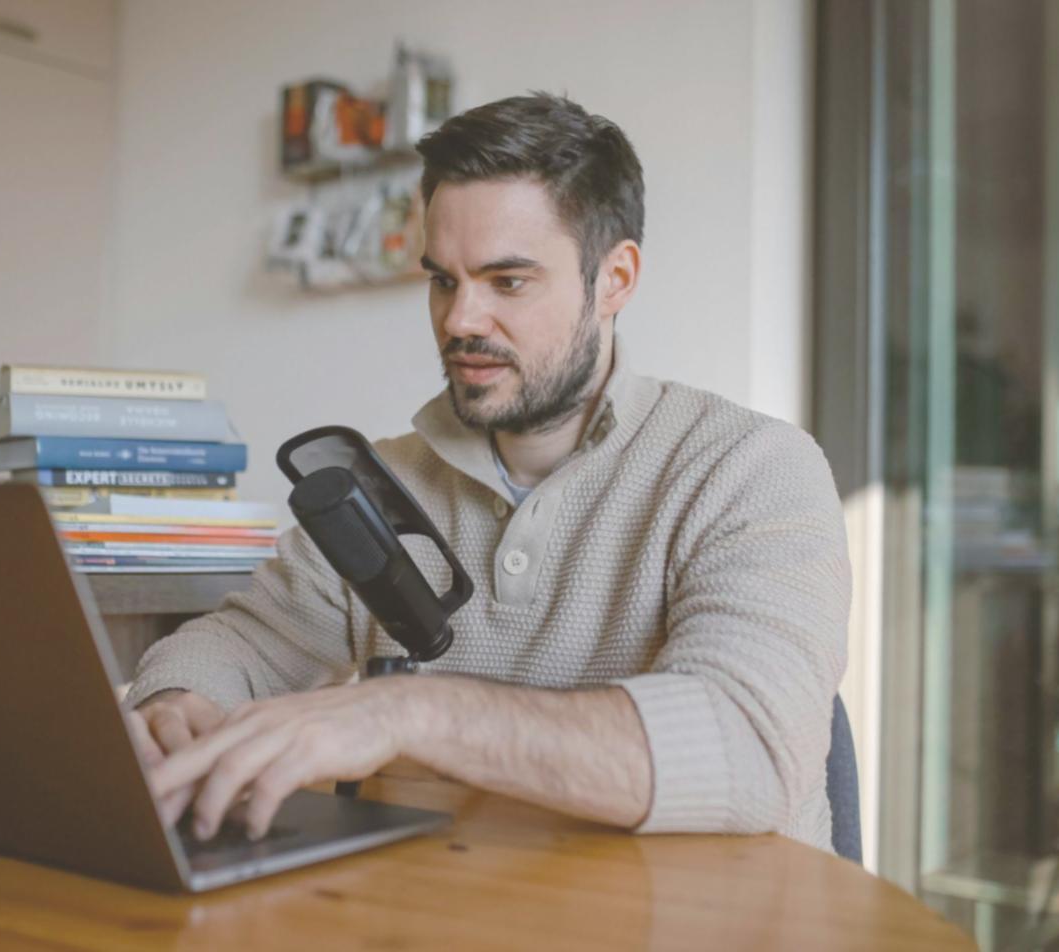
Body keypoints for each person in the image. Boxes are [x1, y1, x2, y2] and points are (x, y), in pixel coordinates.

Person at [125, 92, 850, 853]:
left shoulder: (752, 469)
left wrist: (407, 712)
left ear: (615, 278)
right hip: (451, 903)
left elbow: (747, 749)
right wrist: (178, 703)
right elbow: (238, 644)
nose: (460, 320)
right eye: (444, 280)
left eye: (507, 282)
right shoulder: (382, 481)